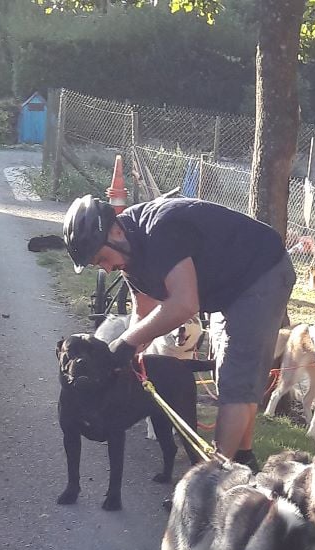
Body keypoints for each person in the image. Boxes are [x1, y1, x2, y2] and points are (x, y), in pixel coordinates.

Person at [62, 194, 296, 471]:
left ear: (114, 231)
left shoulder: (161, 231)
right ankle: (243, 459)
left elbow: (184, 304)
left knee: (238, 379)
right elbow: (145, 311)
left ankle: (210, 483)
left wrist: (127, 341)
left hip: (262, 273)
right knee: (228, 376)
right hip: (226, 287)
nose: (107, 268)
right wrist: (126, 360)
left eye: (102, 258)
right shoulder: (128, 250)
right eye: (97, 264)